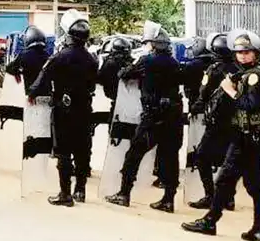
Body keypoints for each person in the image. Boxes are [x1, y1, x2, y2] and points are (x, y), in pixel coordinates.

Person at [181, 30, 260, 241]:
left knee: (226, 181)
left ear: (256, 53)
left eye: (247, 52)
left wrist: (229, 90)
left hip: (247, 139)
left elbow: (249, 106)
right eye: (239, 52)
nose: (242, 56)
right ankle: (258, 229)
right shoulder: (252, 73)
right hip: (252, 138)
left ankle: (211, 221)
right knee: (254, 185)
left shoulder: (256, 76)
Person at [105, 21, 183, 212]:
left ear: (153, 44)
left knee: (134, 154)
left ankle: (124, 193)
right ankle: (168, 200)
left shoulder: (147, 61)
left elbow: (124, 74)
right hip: (173, 115)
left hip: (153, 116)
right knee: (170, 157)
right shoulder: (174, 62)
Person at [27, 16, 98, 205]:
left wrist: (32, 93)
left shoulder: (60, 56)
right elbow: (93, 83)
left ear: (69, 37)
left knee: (64, 151)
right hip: (84, 108)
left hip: (63, 109)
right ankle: (80, 190)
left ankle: (65, 194)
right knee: (83, 150)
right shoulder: (91, 59)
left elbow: (44, 75)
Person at [187, 32, 238, 210]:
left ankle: (211, 195)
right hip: (236, 122)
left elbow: (204, 94)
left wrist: (193, 109)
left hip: (217, 121)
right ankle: (229, 198)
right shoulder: (239, 70)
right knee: (228, 160)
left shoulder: (213, 70)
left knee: (202, 157)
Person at [5, 26, 50, 96]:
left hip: (28, 94)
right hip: (45, 95)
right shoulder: (48, 56)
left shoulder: (24, 55)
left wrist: (18, 74)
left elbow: (8, 68)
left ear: (28, 39)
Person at [98, 36, 133, 104]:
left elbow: (100, 78)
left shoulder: (109, 61)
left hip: (116, 94)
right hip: (119, 93)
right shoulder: (111, 63)